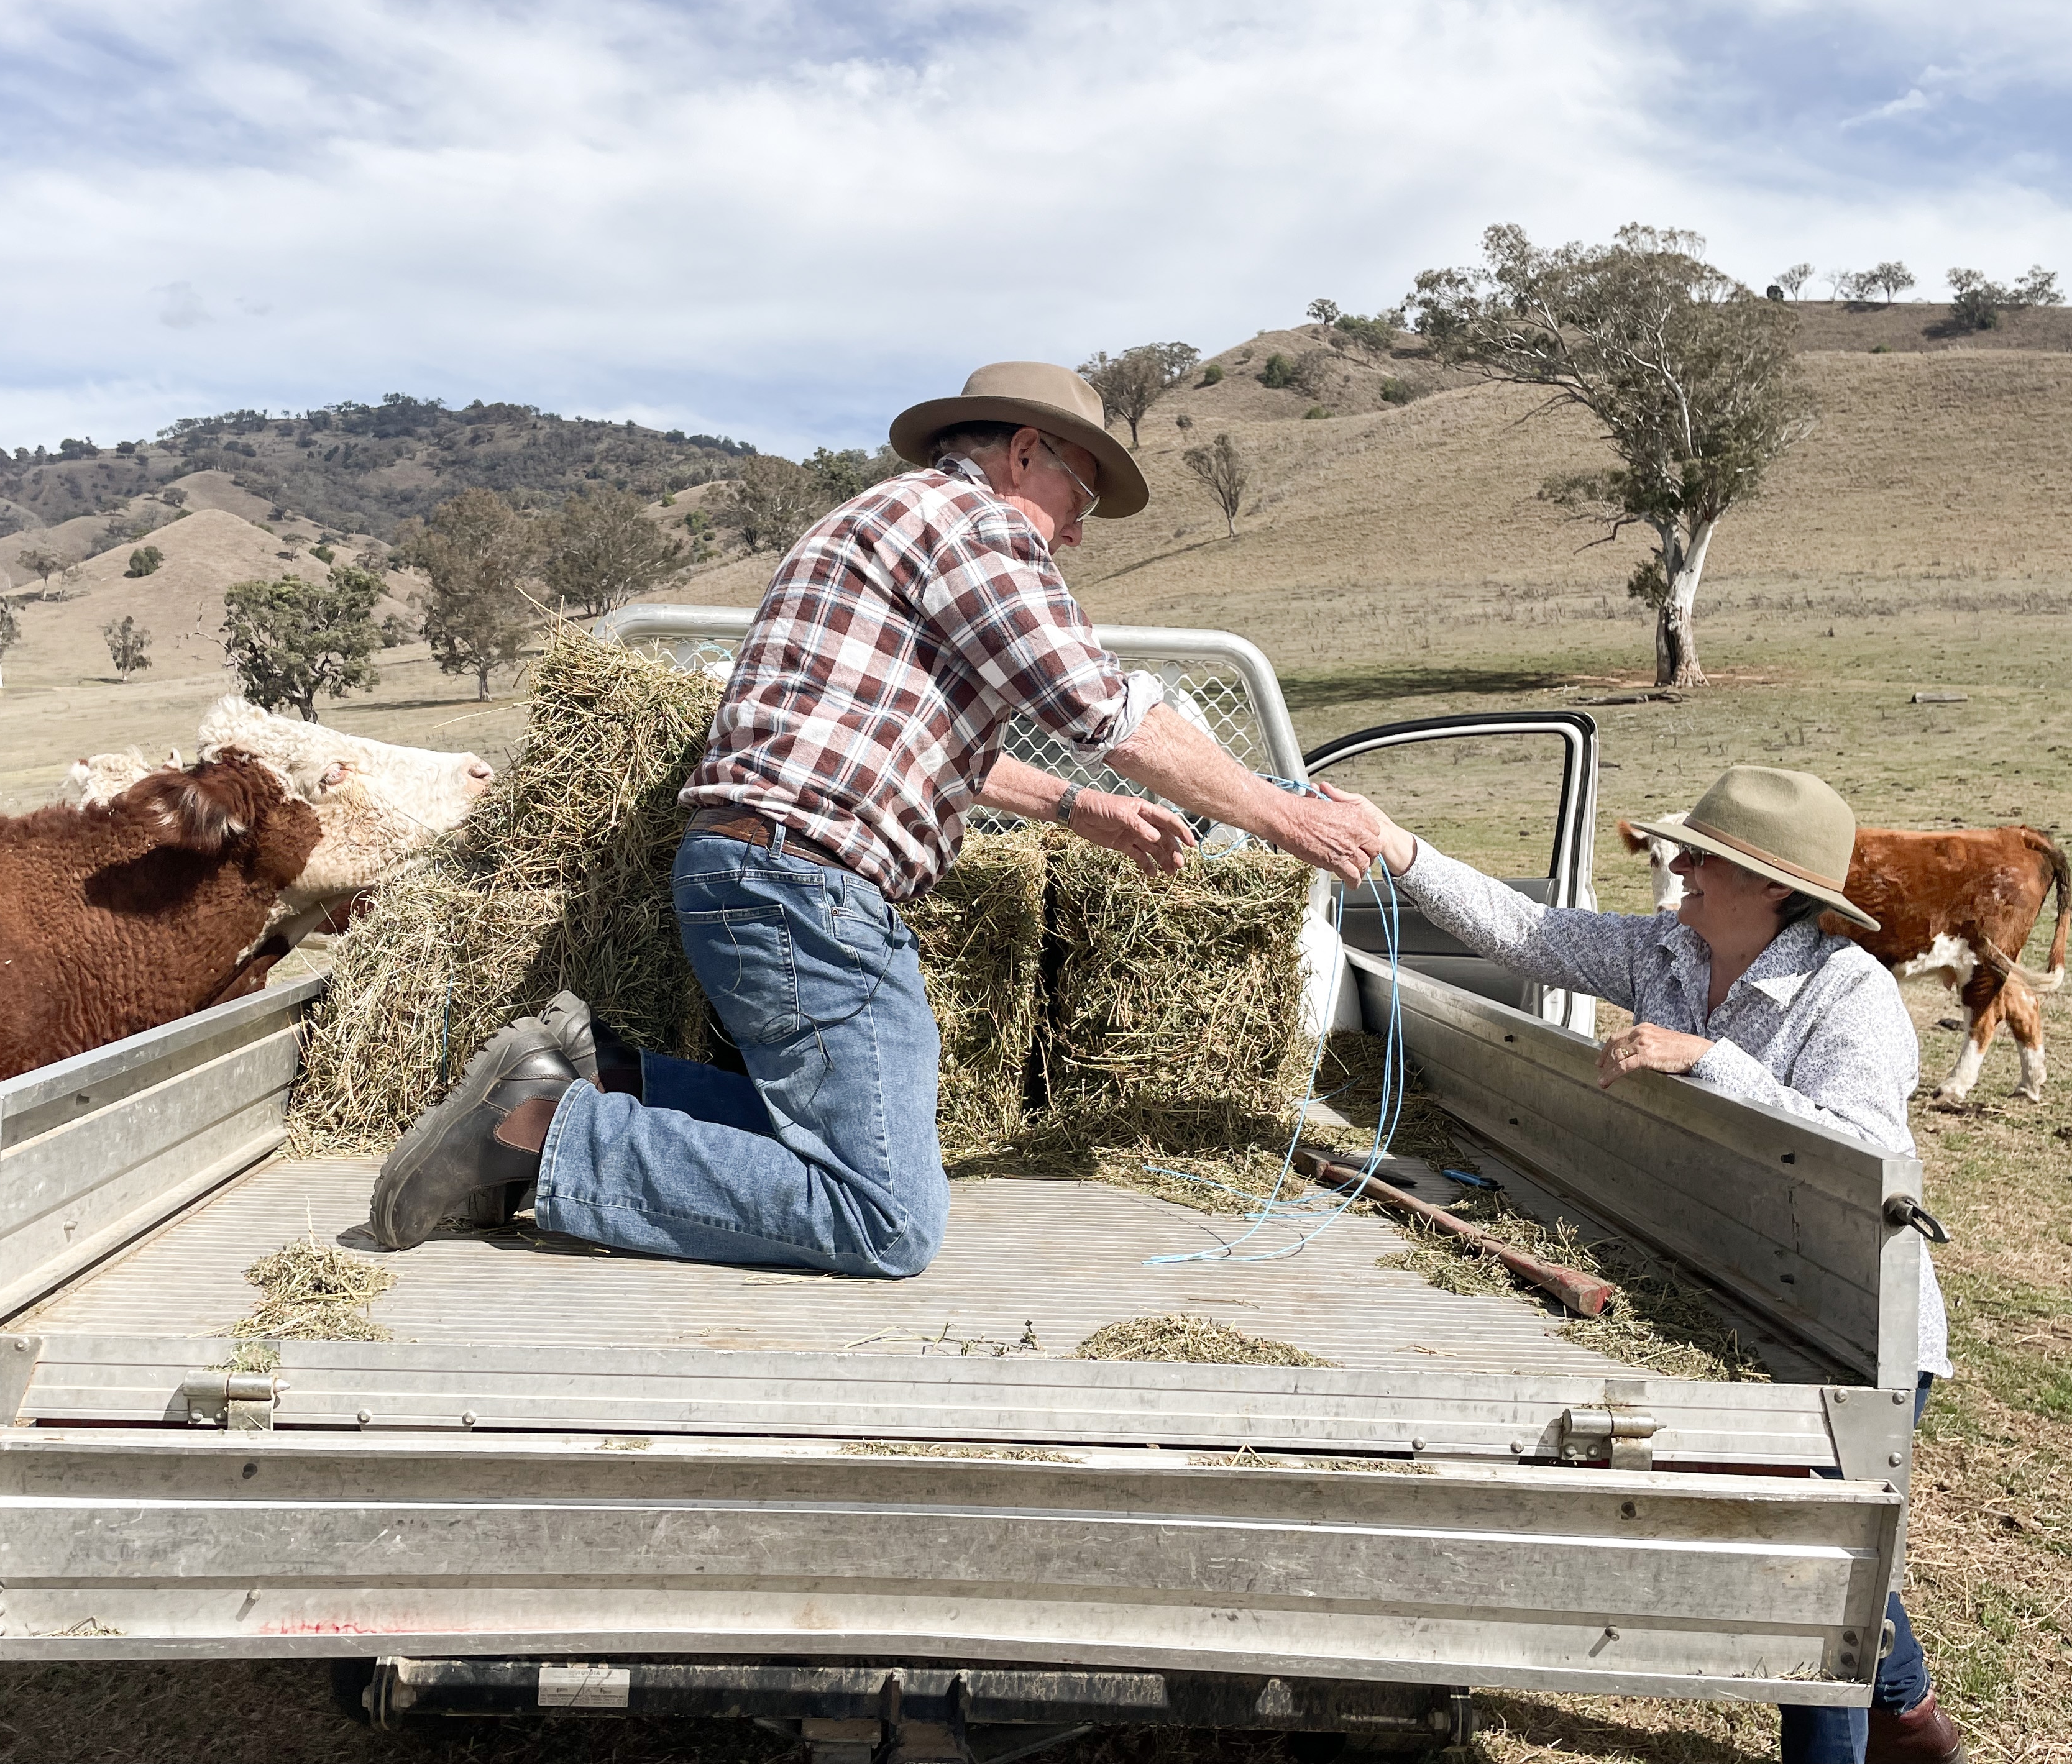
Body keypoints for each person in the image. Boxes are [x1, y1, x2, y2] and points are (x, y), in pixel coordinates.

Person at [369, 359, 1382, 1280]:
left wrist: (1082, 808)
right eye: (1081, 494)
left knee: (848, 1152)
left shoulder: (889, 522)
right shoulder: (977, 527)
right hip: (809, 889)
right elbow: (1104, 709)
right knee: (884, 1217)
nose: (1077, 531)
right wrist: (1287, 820)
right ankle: (542, 1130)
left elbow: (905, 745)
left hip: (765, 872)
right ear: (1025, 453)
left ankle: (609, 1075)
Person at [1324, 764, 1962, 1764]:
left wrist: (1709, 1063)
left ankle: (1868, 1734)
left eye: (1709, 856)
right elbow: (1528, 933)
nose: (1683, 866)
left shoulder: (1850, 998)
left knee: (1802, 1563)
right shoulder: (1670, 947)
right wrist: (1397, 847)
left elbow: (1866, 1159)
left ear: (1778, 888)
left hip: (1855, 1317)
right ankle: (1912, 1710)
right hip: (1740, 1283)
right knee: (1823, 1547)